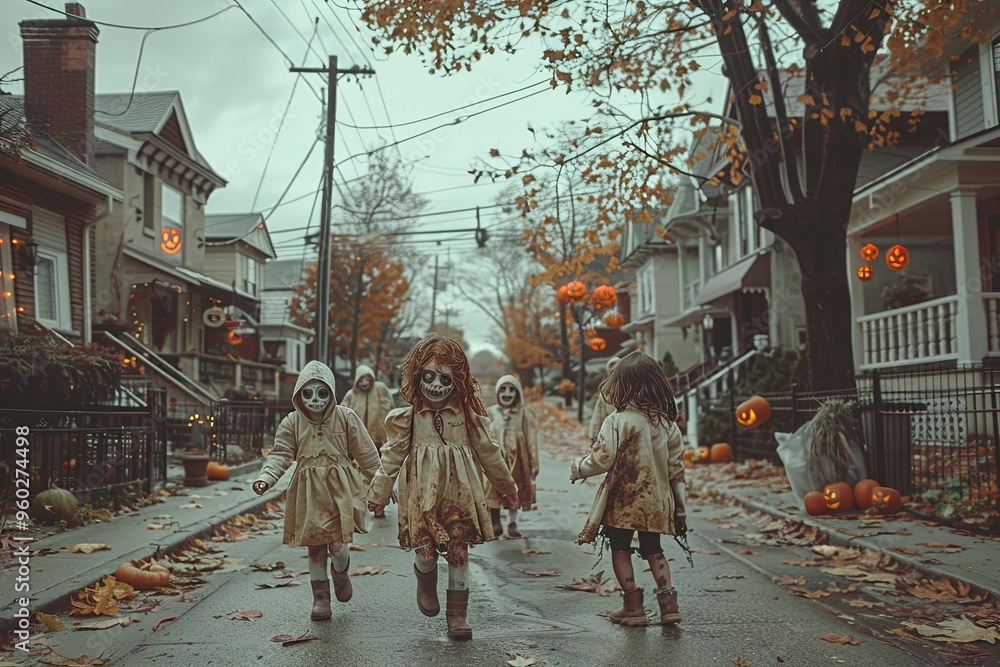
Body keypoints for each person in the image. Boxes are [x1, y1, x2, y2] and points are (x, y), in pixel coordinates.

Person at [366, 336, 518, 640]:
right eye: (429, 376)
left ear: (458, 380)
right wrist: (379, 492)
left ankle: (457, 616)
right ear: (417, 376)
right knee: (425, 553)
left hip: (458, 496)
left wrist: (507, 486)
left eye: (445, 378)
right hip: (420, 498)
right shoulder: (408, 419)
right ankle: (424, 577)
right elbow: (392, 456)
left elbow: (489, 452)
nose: (436, 384)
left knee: (459, 553)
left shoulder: (467, 417)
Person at [252, 361, 381, 622]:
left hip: (340, 491)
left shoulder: (346, 417)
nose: (315, 399)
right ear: (299, 394)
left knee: (338, 545)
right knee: (315, 547)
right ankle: (320, 597)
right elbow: (280, 454)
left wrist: (382, 486)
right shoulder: (292, 421)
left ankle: (340, 572)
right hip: (308, 492)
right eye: (307, 393)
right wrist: (267, 478)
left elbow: (367, 454)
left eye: (322, 393)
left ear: (331, 393)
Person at [570, 350, 687, 627]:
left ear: (620, 385)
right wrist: (679, 507)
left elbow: (602, 458)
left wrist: (578, 468)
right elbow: (676, 470)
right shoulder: (666, 424)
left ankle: (633, 606)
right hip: (656, 500)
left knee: (620, 547)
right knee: (653, 548)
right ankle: (669, 604)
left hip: (623, 500)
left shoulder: (617, 421)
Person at [485, 374, 539, 538]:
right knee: (492, 489)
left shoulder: (524, 414)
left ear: (518, 394)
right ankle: (495, 523)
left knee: (515, 488)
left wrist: (533, 463)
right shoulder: (491, 412)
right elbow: (484, 435)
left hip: (518, 459)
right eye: (503, 390)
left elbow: (531, 439)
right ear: (497, 393)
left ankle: (512, 523)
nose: (507, 394)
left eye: (511, 390)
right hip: (496, 460)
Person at [341, 364, 394, 517]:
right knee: (359, 474)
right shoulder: (351, 395)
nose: (364, 382)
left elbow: (388, 409)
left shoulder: (380, 389)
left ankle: (380, 504)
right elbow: (343, 415)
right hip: (358, 444)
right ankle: (361, 503)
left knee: (381, 473)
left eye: (368, 378)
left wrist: (386, 432)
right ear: (357, 380)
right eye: (361, 379)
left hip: (380, 440)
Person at [588, 356, 621, 443]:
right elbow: (597, 414)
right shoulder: (606, 391)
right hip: (609, 433)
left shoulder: (630, 389)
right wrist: (594, 435)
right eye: (613, 370)